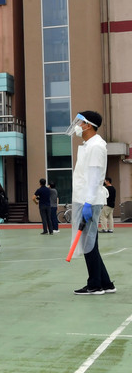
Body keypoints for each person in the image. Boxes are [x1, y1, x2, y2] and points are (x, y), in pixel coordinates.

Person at [66, 111, 115, 295]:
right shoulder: (90, 145)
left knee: (89, 243)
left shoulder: (96, 147)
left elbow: (95, 177)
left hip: (89, 200)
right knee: (91, 242)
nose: (77, 125)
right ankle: (106, 283)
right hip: (85, 198)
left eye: (81, 122)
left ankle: (95, 285)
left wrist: (87, 203)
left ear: (88, 125)